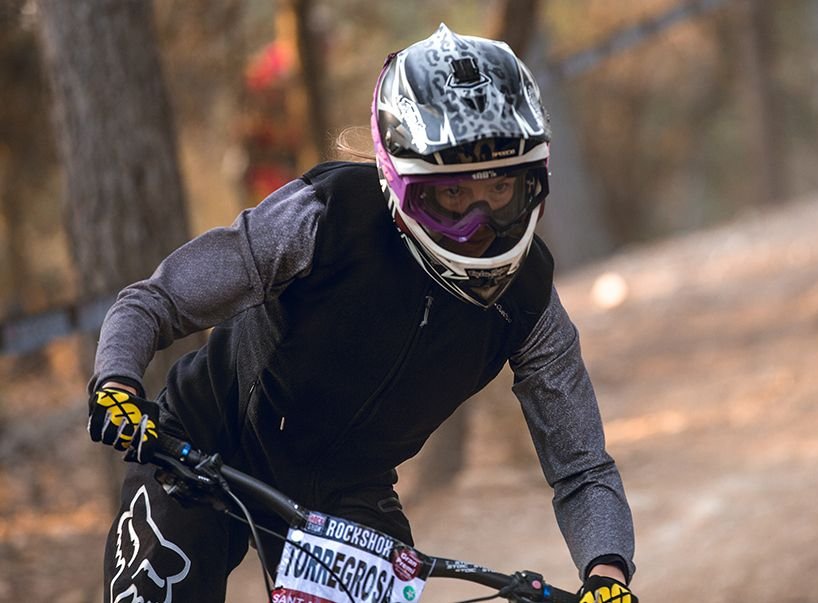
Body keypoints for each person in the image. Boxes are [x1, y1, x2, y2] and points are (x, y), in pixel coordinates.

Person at [87, 24, 638, 603]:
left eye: (500, 190)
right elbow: (156, 299)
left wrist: (607, 573)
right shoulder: (322, 218)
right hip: (201, 444)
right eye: (453, 195)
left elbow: (581, 467)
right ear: (401, 182)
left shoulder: (529, 302)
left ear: (534, 182)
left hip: (346, 491)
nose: (479, 226)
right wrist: (117, 380)